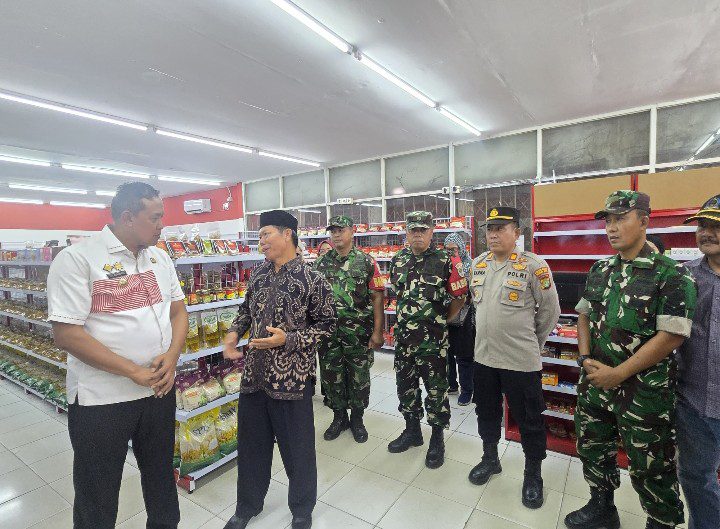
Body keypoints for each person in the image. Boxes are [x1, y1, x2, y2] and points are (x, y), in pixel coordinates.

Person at [46, 182, 188, 529]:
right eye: (155, 218)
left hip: (157, 391)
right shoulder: (78, 259)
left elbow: (178, 312)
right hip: (102, 400)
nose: (162, 226)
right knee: (97, 491)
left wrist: (172, 356)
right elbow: (66, 333)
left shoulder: (159, 257)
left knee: (160, 477)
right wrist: (132, 371)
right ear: (128, 217)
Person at [564, 191, 697, 529]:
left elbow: (672, 335)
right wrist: (584, 359)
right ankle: (602, 508)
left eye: (620, 218)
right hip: (596, 382)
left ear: (644, 221)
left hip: (644, 391)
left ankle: (660, 522)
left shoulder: (672, 274)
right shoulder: (600, 269)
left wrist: (618, 373)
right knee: (593, 447)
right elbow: (583, 315)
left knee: (651, 464)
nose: (611, 227)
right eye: (607, 220)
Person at [222, 209, 336, 529]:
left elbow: (328, 325)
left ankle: (301, 508)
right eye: (259, 236)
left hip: (292, 380)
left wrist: (289, 339)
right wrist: (233, 334)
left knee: (297, 450)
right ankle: (247, 506)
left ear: (287, 234)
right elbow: (246, 310)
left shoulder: (313, 279)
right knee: (251, 448)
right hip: (254, 376)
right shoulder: (258, 274)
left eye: (265, 234)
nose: (261, 242)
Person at [467, 207, 560, 509]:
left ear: (517, 233)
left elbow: (550, 312)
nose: (493, 234)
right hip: (484, 358)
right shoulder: (478, 264)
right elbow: (478, 308)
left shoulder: (534, 266)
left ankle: (533, 474)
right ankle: (490, 458)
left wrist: (532, 343)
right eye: (489, 229)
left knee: (530, 419)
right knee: (486, 412)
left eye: (501, 228)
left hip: (520, 360)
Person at [387, 211, 468, 469]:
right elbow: (398, 295)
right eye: (413, 230)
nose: (418, 235)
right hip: (404, 340)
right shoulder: (398, 260)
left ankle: (436, 439)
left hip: (433, 342)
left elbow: (459, 297)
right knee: (406, 388)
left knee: (436, 391)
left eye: (423, 230)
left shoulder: (446, 261)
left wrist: (441, 320)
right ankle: (412, 431)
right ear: (407, 233)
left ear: (432, 232)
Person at [314, 215, 385, 442]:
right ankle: (339, 417)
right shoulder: (320, 264)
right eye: (333, 231)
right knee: (331, 376)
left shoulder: (366, 262)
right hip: (329, 335)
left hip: (358, 334)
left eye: (341, 230)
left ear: (352, 232)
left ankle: (357, 419)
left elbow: (377, 298)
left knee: (358, 377)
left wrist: (378, 332)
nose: (336, 235)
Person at [676, 194, 720, 529]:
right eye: (702, 225)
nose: (706, 232)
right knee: (696, 477)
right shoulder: (685, 277)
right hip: (694, 400)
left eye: (716, 226)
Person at [443, 233, 475, 406]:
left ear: (461, 248)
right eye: (447, 250)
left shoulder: (470, 265)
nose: (450, 253)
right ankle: (452, 385)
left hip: (465, 317)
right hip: (446, 316)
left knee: (464, 356)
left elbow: (474, 292)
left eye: (454, 249)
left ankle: (467, 390)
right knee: (447, 354)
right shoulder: (442, 265)